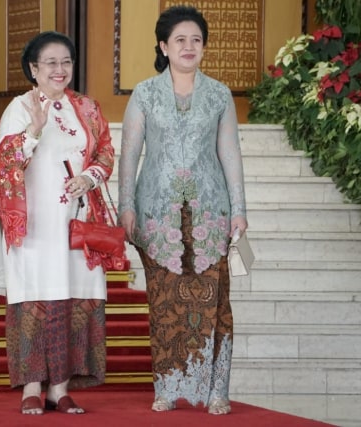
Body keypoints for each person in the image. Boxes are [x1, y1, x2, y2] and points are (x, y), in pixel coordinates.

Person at [0, 31, 115, 415]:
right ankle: (32, 386)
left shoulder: (88, 107)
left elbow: (104, 153)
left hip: (77, 222)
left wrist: (91, 176)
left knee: (72, 296)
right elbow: (6, 163)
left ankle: (60, 388)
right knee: (35, 296)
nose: (59, 70)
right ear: (33, 68)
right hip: (34, 224)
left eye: (65, 62)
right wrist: (33, 129)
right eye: (50, 63)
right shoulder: (20, 106)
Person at [117, 5, 247, 415]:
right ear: (163, 46)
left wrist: (239, 210)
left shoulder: (220, 94)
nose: (189, 47)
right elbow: (129, 154)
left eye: (196, 40)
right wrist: (126, 206)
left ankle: (216, 390)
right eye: (180, 40)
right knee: (165, 301)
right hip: (157, 211)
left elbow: (230, 154)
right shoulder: (144, 93)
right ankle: (169, 387)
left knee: (215, 301)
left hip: (211, 211)